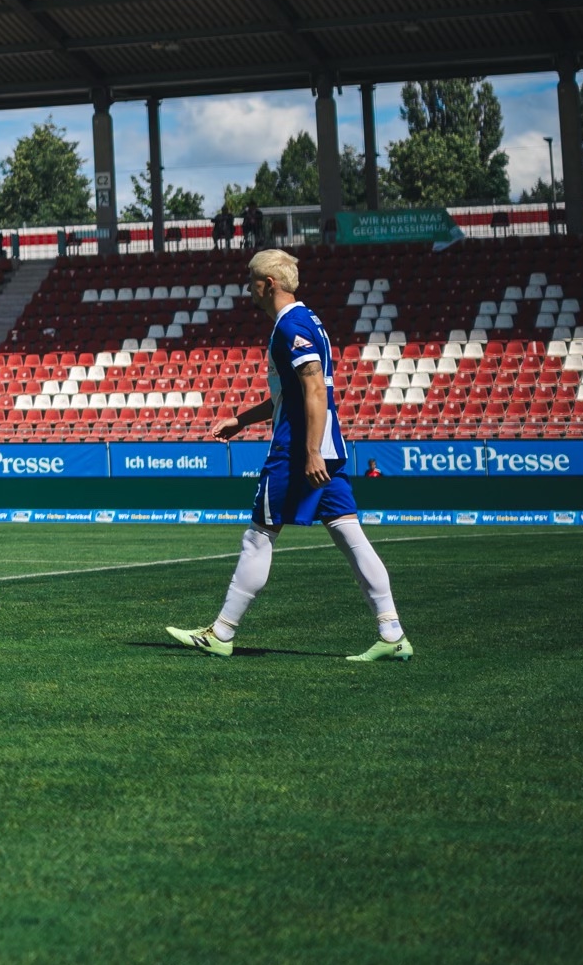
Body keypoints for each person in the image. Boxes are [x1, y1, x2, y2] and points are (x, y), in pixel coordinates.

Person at [170, 249, 412, 661]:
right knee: (350, 535)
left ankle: (222, 632)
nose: (248, 287)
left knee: (258, 535)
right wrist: (243, 419)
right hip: (325, 449)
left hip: (298, 451)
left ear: (269, 284)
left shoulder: (291, 326)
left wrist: (310, 451)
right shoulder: (307, 320)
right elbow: (293, 393)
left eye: (251, 279)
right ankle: (392, 634)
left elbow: (315, 388)